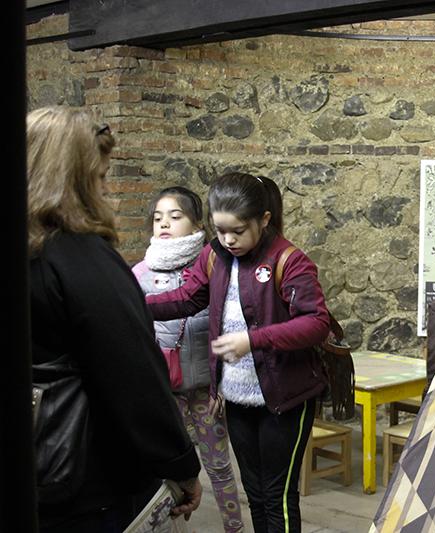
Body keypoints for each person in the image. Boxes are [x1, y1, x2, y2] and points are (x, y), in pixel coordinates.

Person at [27, 106, 203, 532]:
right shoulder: (79, 257)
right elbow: (132, 374)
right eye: (100, 177)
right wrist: (180, 464)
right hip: (83, 473)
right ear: (75, 179)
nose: (105, 190)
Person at [145, 172, 330, 533]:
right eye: (220, 230)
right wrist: (135, 303)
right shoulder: (215, 256)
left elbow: (315, 322)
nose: (228, 240)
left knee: (277, 494)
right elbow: (186, 298)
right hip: (237, 395)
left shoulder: (289, 260)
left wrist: (254, 339)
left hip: (286, 397)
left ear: (263, 219)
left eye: (238, 231)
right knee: (255, 492)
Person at [132, 186, 244, 532]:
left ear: (198, 225)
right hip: (166, 394)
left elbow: (228, 326)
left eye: (175, 216)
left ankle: (234, 528)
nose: (164, 223)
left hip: (206, 392)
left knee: (219, 467)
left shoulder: (213, 269)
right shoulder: (140, 275)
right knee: (169, 469)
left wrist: (222, 384)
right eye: (158, 217)